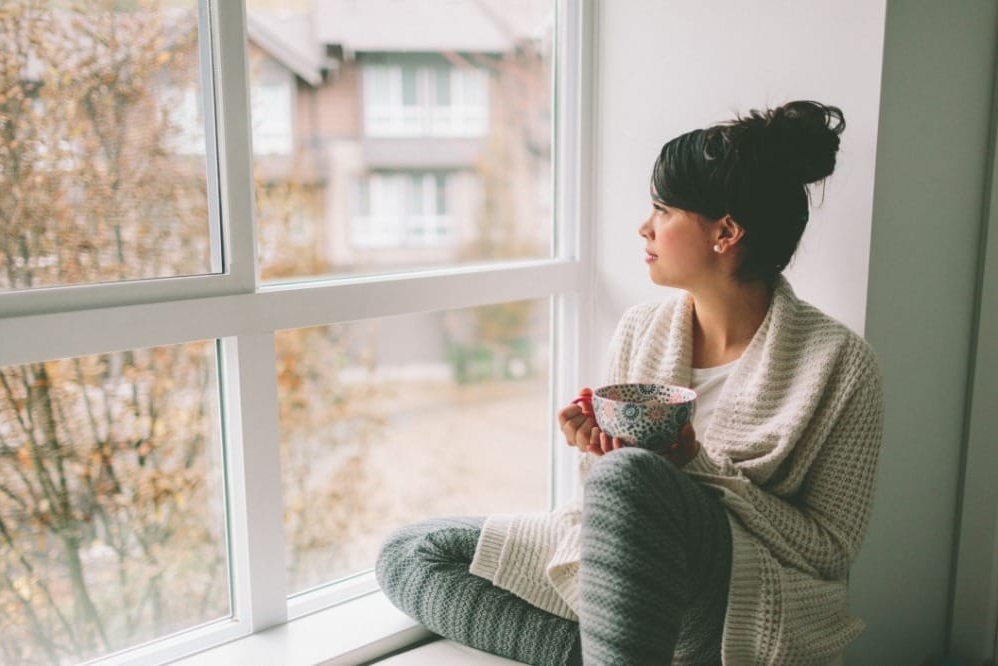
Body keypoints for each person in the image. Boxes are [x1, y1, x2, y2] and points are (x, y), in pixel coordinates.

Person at [376, 100, 884, 665]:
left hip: (738, 589)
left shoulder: (839, 363)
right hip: (636, 582)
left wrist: (689, 465)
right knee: (412, 553)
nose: (645, 227)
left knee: (633, 474)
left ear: (726, 232)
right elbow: (610, 497)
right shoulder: (643, 328)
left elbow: (830, 550)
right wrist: (595, 448)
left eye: (663, 210)